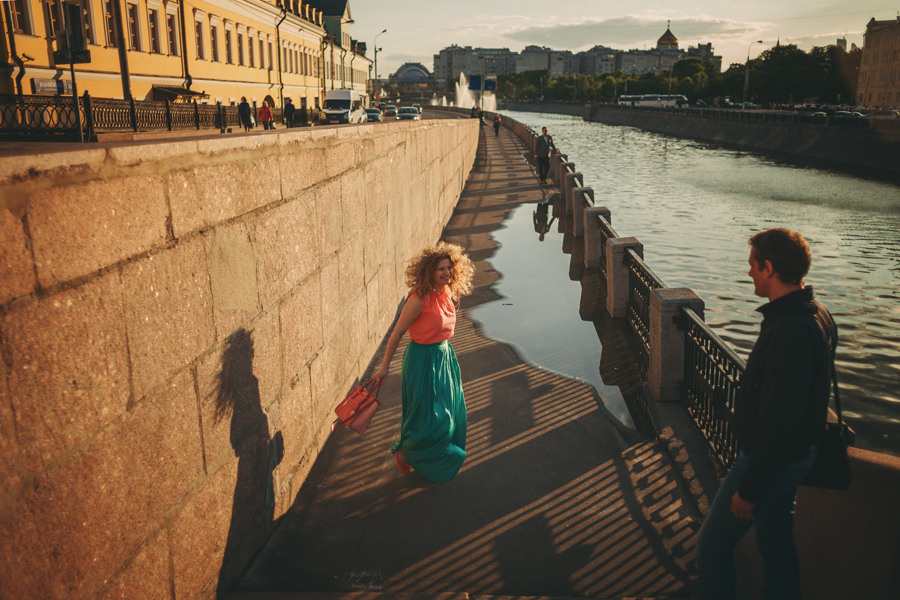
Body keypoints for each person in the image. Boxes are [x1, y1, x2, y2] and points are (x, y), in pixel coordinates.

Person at [696, 228, 836, 600]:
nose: (749, 274)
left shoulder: (791, 328)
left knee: (710, 547)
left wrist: (751, 488)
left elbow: (779, 419)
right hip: (797, 455)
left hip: (769, 461)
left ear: (769, 268)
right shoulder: (814, 312)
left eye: (753, 266)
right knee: (775, 545)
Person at [373, 242, 475, 482]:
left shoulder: (446, 293)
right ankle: (406, 452)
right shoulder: (418, 300)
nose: (446, 273)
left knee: (449, 413)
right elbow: (397, 333)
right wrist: (385, 367)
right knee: (428, 418)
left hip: (444, 358)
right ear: (429, 271)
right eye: (441, 269)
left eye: (449, 268)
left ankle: (419, 456)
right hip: (422, 361)